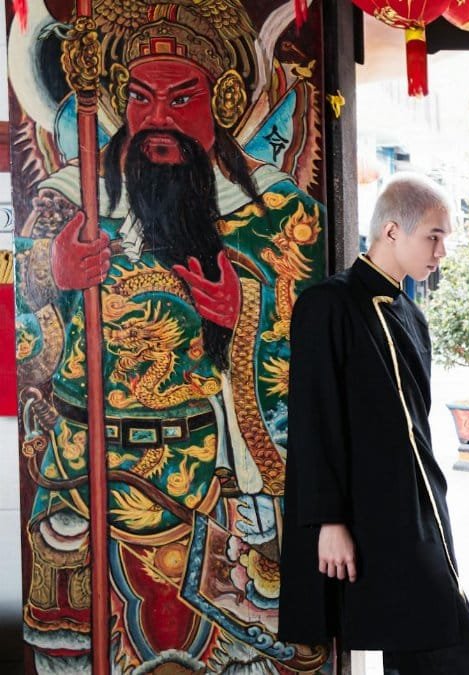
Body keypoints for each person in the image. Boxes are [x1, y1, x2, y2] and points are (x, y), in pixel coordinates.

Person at [15, 5, 327, 671]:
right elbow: (27, 347)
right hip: (83, 474)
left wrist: (245, 317)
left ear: (225, 100)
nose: (157, 118)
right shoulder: (70, 202)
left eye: (180, 97)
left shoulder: (275, 212)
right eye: (139, 97)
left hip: (210, 480)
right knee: (72, 651)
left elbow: (307, 357)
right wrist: (57, 275)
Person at [278, 173, 469, 674]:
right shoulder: (328, 305)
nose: (441, 251)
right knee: (440, 641)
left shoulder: (412, 315)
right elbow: (314, 417)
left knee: (422, 642)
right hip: (362, 518)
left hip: (417, 514)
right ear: (392, 232)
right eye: (433, 237)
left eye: (445, 239)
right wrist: (328, 521)